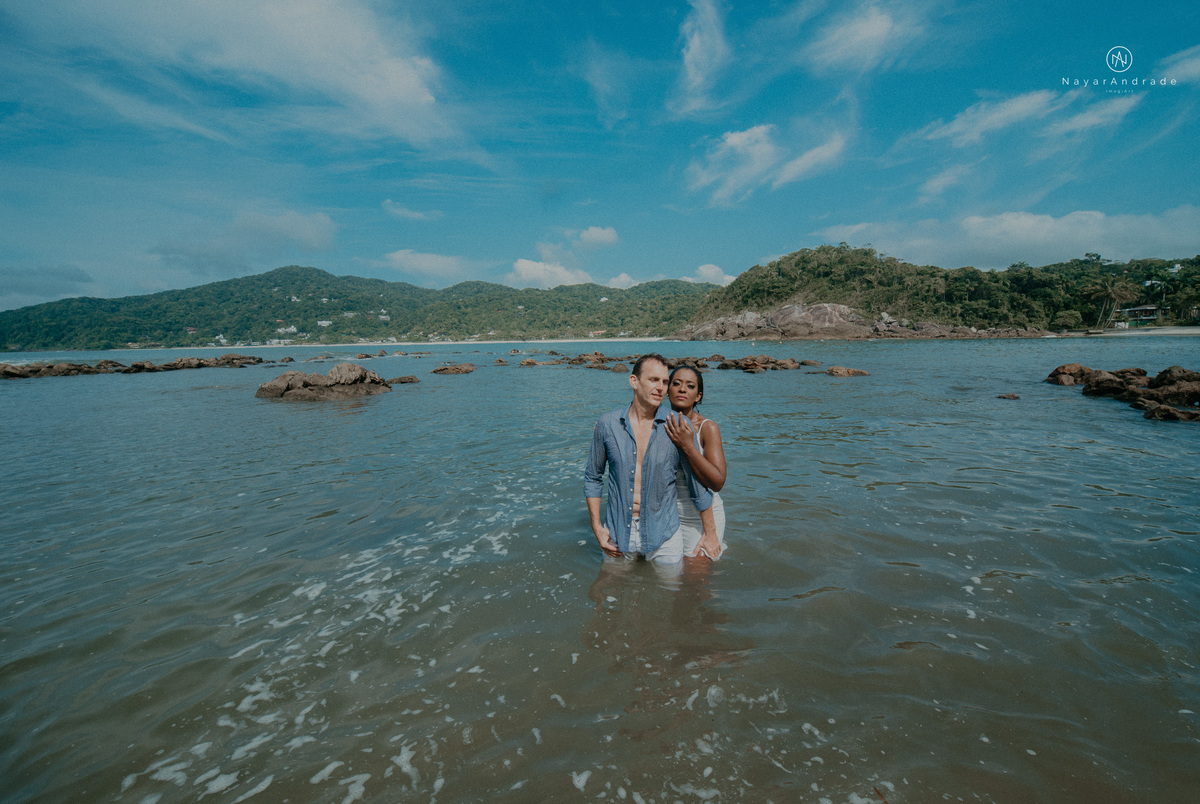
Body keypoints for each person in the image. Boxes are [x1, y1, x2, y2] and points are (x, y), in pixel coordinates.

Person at [584, 354, 717, 566]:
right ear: (634, 381)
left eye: (665, 382)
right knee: (610, 592)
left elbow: (697, 486)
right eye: (653, 380)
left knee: (670, 593)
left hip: (663, 534)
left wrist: (711, 534)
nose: (661, 388)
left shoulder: (677, 426)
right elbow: (593, 477)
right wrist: (597, 527)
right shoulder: (607, 424)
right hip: (617, 533)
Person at [664, 365, 726, 560]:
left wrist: (688, 446)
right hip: (668, 514)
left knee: (697, 583)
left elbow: (717, 482)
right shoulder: (659, 423)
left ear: (698, 396)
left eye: (690, 386)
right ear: (668, 390)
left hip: (700, 517)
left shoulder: (707, 428)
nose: (682, 389)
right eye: (676, 384)